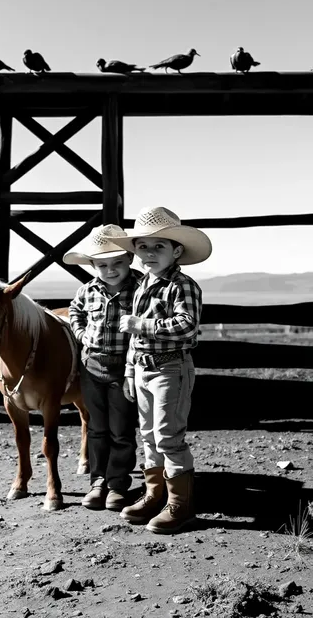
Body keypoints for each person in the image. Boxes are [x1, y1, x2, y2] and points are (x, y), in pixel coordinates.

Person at [104, 206, 212, 534]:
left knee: (168, 437)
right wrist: (128, 371)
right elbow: (134, 341)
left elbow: (187, 327)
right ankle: (155, 495)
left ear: (177, 251)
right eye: (143, 247)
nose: (149, 253)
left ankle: (181, 506)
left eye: (159, 246)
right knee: (148, 437)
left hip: (171, 370)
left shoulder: (183, 286)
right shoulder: (143, 285)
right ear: (135, 252)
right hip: (143, 370)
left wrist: (143, 324)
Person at [63, 224, 139, 512]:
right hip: (91, 367)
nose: (110, 270)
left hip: (124, 369)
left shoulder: (140, 288)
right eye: (102, 265)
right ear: (93, 265)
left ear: (129, 260)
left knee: (121, 429)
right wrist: (81, 334)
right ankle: (98, 482)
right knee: (96, 428)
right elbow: (74, 311)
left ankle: (118, 484)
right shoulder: (87, 290)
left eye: (117, 262)